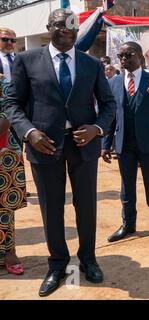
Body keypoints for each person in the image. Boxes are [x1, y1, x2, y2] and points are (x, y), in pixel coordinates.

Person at [5, 9, 116, 297]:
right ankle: (57, 266)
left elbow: (108, 105)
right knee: (51, 209)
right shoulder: (26, 60)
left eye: (72, 28)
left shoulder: (91, 64)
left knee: (86, 207)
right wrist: (30, 132)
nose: (67, 32)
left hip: (83, 146)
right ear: (48, 27)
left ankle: (88, 260)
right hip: (45, 146)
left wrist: (97, 129)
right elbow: (13, 104)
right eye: (60, 27)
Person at [102, 41, 149, 243]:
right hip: (124, 144)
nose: (123, 59)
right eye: (121, 56)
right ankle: (128, 224)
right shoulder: (114, 82)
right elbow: (111, 116)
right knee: (127, 186)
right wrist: (106, 144)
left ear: (140, 57)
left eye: (128, 55)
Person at [0, 77, 26, 276]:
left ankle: (9, 252)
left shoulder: (3, 84)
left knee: (4, 209)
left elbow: (10, 114)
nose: (9, 42)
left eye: (12, 41)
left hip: (4, 154)